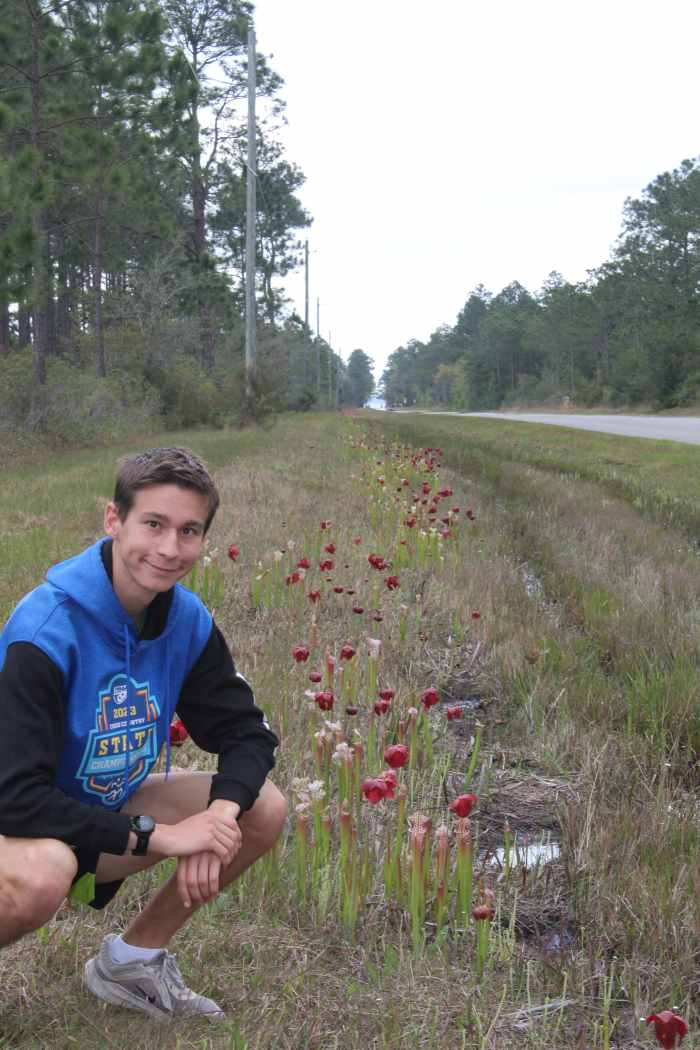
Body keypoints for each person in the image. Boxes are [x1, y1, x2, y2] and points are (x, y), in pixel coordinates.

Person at [0, 447, 286, 1021]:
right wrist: (157, 837)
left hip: (96, 810)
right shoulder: (44, 633)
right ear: (114, 520)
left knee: (262, 807)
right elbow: (15, 800)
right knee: (43, 874)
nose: (168, 548)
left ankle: (130, 963)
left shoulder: (184, 621)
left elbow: (248, 734)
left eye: (188, 531)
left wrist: (218, 822)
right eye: (152, 524)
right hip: (19, 827)